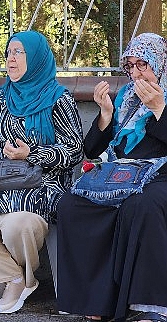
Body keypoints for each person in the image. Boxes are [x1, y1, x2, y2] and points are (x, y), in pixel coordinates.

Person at [0, 30, 84, 314]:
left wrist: (31, 154)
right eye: (9, 52)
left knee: (16, 223)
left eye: (19, 52)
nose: (11, 58)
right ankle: (13, 277)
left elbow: (73, 150)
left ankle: (13, 277)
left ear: (35, 59)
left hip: (42, 183)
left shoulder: (59, 99)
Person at [57, 33, 167, 322]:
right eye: (130, 66)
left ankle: (149, 306)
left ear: (159, 62)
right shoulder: (126, 98)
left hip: (161, 178)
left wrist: (159, 109)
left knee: (142, 205)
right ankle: (95, 302)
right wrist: (105, 114)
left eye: (142, 64)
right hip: (122, 176)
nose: (136, 73)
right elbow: (92, 148)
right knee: (73, 204)